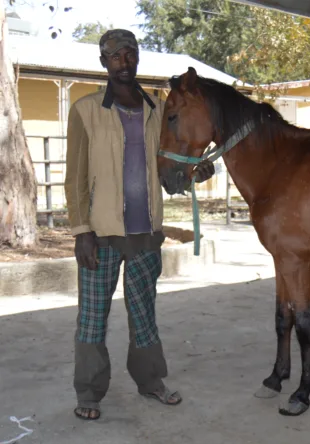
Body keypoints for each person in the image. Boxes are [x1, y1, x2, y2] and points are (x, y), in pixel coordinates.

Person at [64, 29, 214, 420]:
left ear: (137, 58)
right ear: (103, 63)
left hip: (146, 232)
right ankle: (89, 393)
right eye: (115, 56)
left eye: (130, 54)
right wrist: (81, 232)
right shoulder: (85, 109)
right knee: (93, 316)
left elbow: (168, 173)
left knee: (144, 313)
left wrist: (194, 173)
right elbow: (75, 177)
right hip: (102, 234)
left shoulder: (156, 109)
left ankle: (151, 382)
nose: (124, 62)